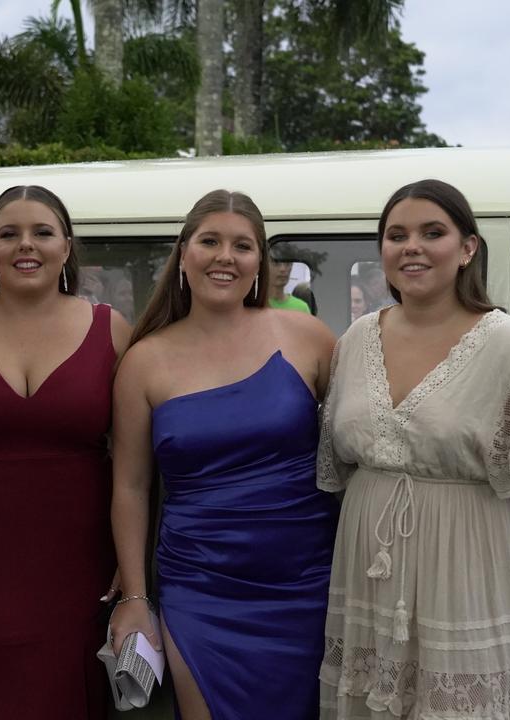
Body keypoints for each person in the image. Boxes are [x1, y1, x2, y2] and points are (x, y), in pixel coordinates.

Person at [317, 179, 510, 719]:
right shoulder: (354, 340)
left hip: (466, 554)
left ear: (467, 248)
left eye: (432, 232)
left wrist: (477, 523)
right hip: (367, 558)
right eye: (397, 235)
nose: (411, 246)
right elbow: (338, 462)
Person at [111, 190, 338, 720]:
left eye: (243, 245)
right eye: (210, 241)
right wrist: (136, 598)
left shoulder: (308, 338)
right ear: (183, 251)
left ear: (261, 261)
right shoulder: (144, 361)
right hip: (200, 589)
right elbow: (130, 486)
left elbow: (365, 432)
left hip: (307, 584)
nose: (225, 257)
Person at [0, 185, 130, 719]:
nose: (24, 245)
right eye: (8, 234)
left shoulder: (112, 329)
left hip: (83, 545)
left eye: (42, 232)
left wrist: (133, 562)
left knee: (78, 680)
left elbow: (134, 463)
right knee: (2, 682)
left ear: (66, 246)